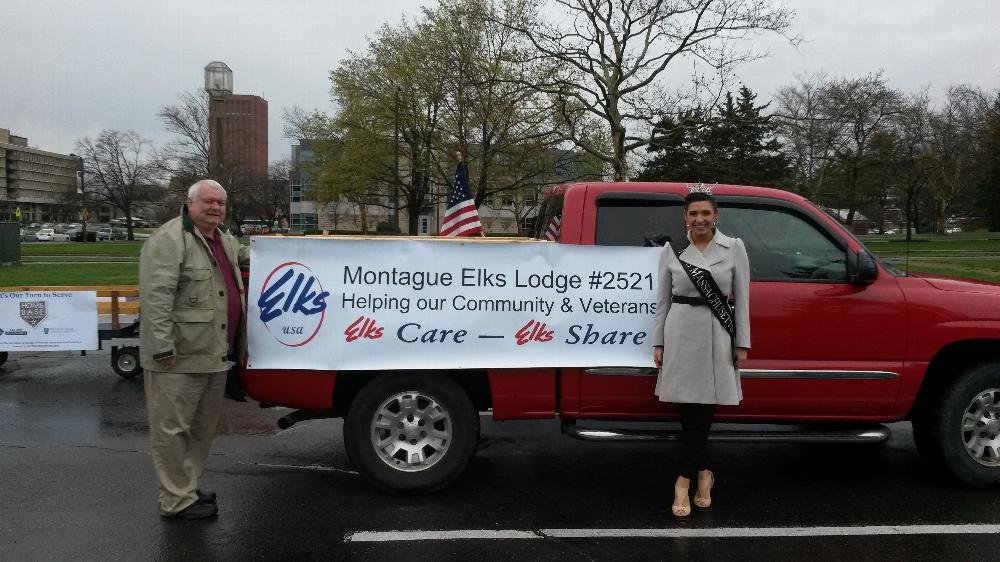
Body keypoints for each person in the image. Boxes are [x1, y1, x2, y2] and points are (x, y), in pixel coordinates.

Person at [139, 179, 249, 519]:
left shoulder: (223, 240)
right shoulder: (169, 240)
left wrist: (301, 247)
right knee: (172, 430)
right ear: (190, 204)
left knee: (201, 429)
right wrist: (161, 348)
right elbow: (156, 298)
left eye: (221, 203)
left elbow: (252, 253)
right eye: (208, 202)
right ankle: (174, 500)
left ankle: (187, 487)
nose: (215, 207)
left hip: (215, 354)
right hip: (178, 356)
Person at [651, 190, 750, 520]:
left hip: (716, 334)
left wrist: (742, 343)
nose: (700, 219)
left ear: (716, 215)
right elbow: (662, 301)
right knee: (687, 410)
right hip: (680, 332)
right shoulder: (672, 250)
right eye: (693, 213)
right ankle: (704, 473)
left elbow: (743, 302)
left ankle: (683, 481)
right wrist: (658, 342)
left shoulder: (734, 248)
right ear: (685, 217)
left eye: (705, 213)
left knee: (703, 410)